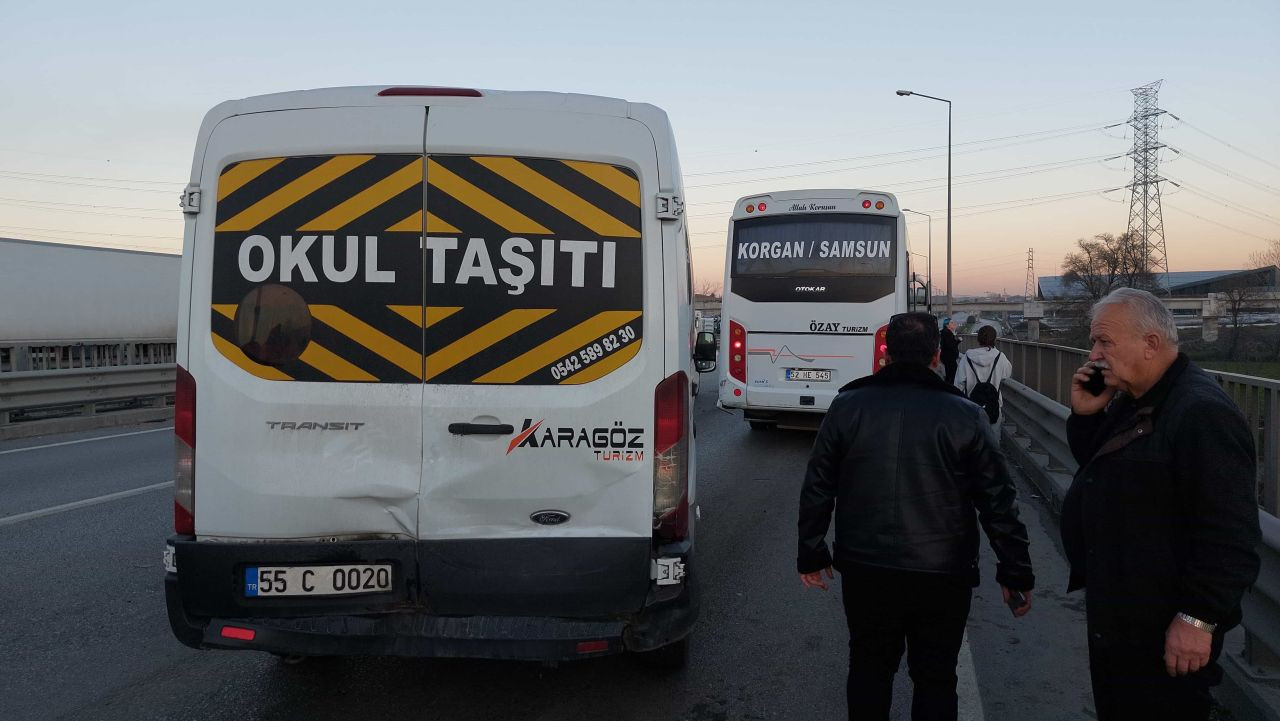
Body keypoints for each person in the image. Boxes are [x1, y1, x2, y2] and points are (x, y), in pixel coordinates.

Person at [798, 312, 1034, 721]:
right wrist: (1015, 571)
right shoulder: (964, 414)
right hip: (942, 573)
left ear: (886, 352)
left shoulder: (848, 405)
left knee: (870, 669)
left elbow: (818, 484)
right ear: (937, 355)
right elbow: (997, 499)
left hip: (866, 568)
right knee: (937, 678)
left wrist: (812, 553)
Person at [1061, 288, 1261, 721]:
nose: (1093, 353)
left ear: (1150, 344)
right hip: (1123, 618)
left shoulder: (1200, 413)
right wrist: (1086, 416)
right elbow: (1100, 471)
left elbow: (1230, 532)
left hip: (1164, 629)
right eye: (1094, 342)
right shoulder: (1137, 400)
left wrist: (1198, 618)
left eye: (1104, 342)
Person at [955, 325, 1013, 424]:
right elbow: (1006, 374)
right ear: (995, 339)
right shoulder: (1000, 357)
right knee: (993, 437)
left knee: (973, 438)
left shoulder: (967, 357)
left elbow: (958, 384)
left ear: (978, 339)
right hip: (993, 407)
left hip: (971, 407)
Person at [940, 317, 960, 384]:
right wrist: (958, 341)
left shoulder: (946, 332)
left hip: (948, 357)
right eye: (951, 322)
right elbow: (950, 345)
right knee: (952, 375)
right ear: (947, 325)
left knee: (950, 374)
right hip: (949, 358)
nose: (954, 324)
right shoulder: (947, 333)